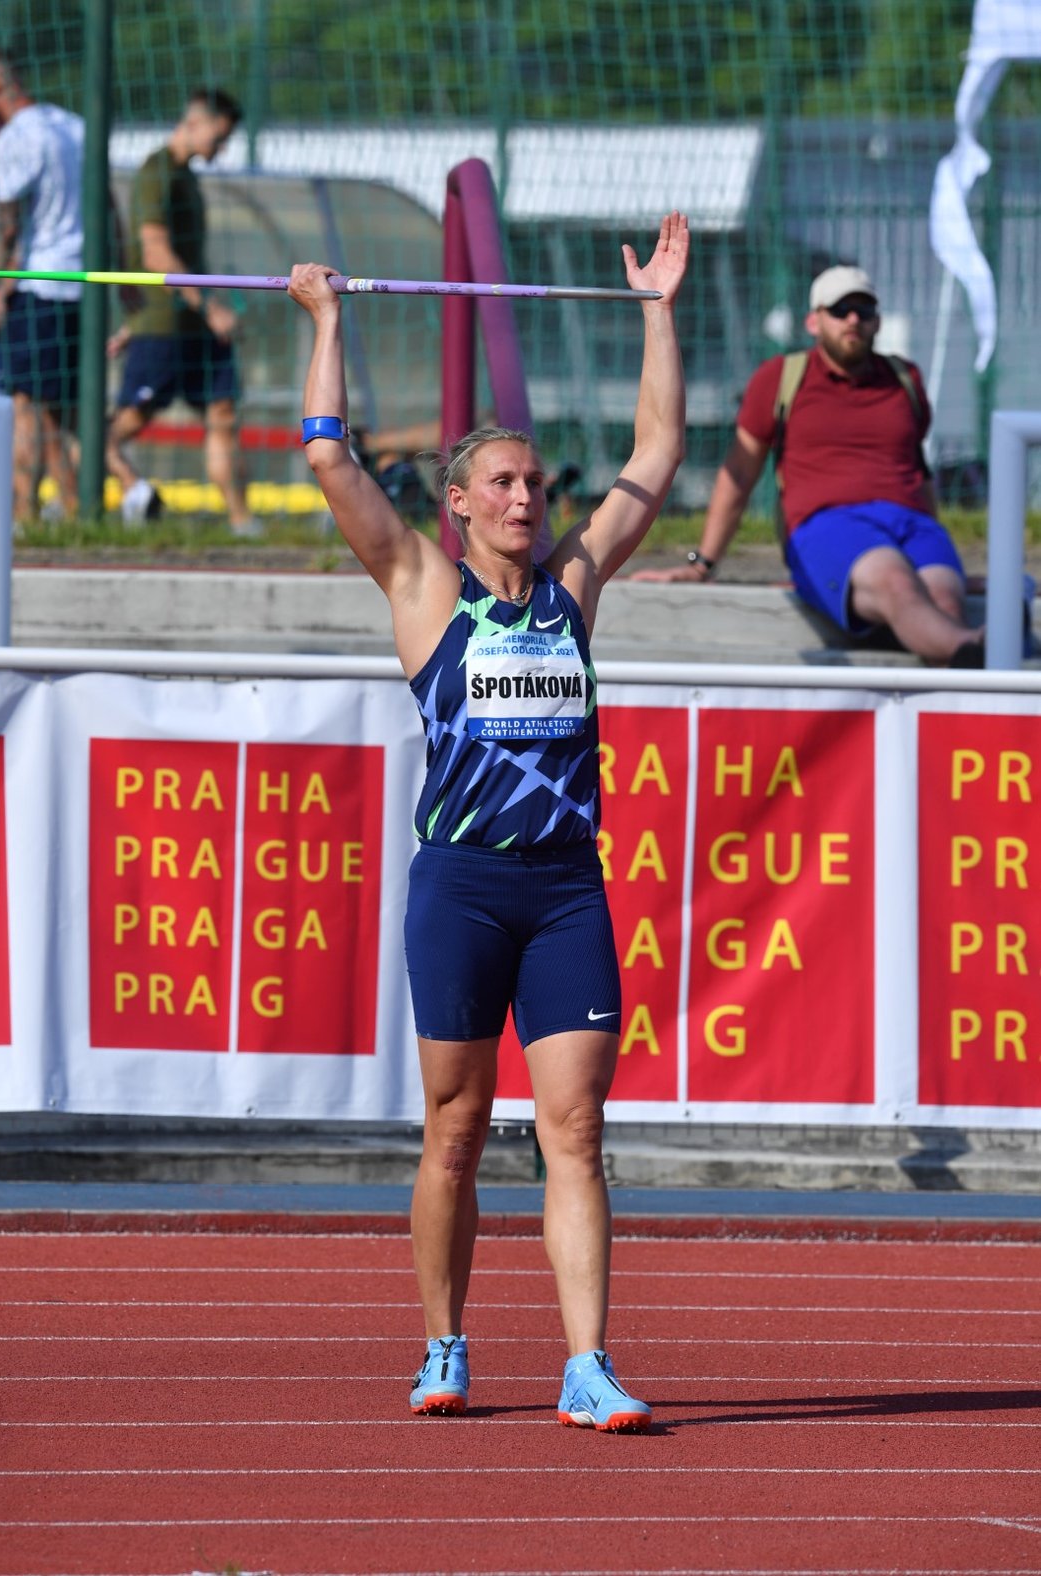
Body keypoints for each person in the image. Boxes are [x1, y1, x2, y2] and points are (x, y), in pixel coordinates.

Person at [287, 210, 689, 1432]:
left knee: (576, 1126)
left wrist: (657, 311)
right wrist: (330, 318)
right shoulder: (421, 586)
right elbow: (326, 457)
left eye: (533, 482)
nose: (527, 497)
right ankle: (445, 1344)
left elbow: (660, 452)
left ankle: (587, 1363)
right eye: (502, 483)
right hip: (461, 886)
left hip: (566, 888)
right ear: (458, 502)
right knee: (456, 1125)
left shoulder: (574, 585)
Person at [634, 265, 987, 667]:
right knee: (895, 581)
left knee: (944, 595)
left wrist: (944, 551)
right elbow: (740, 474)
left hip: (911, 525)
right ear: (814, 321)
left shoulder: (904, 377)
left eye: (864, 309)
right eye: (840, 310)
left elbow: (917, 470)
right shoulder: (781, 377)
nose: (853, 319)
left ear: (878, 321)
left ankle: (971, 659)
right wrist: (702, 564)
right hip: (829, 523)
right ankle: (981, 649)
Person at [106, 86, 260, 536]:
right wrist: (210, 306)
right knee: (127, 423)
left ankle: (242, 521)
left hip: (194, 325)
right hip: (165, 324)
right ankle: (106, 491)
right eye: (221, 135)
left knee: (223, 413)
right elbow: (154, 254)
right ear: (195, 122)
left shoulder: (187, 176)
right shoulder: (157, 172)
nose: (223, 146)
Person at [0, 49, 84, 523]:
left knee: (25, 407)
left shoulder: (16, 139)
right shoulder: (74, 126)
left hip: (37, 283)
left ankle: (22, 515)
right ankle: (72, 508)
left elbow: (7, 225)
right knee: (57, 411)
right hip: (81, 282)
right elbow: (106, 205)